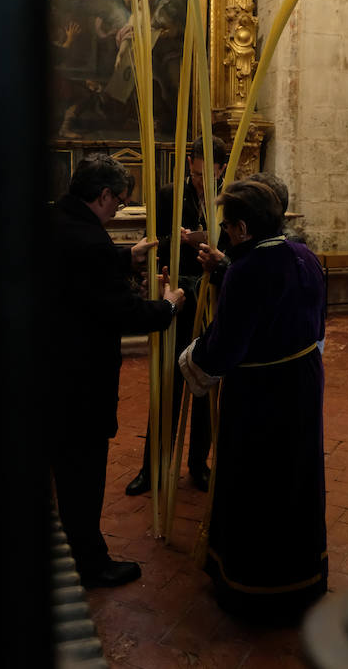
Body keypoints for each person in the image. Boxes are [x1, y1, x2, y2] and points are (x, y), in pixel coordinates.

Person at [179, 179, 327, 620]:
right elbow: (285, 306)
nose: (224, 233)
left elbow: (227, 347)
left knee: (257, 482)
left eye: (227, 227)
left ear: (242, 228)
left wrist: (192, 359)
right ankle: (304, 578)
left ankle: (255, 588)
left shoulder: (248, 269)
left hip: (262, 395)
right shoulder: (305, 254)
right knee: (296, 476)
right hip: (302, 381)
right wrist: (226, 268)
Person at [48, 154, 185, 589]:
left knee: (64, 468)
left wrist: (126, 257)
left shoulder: (55, 220)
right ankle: (90, 563)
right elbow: (119, 311)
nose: (118, 210)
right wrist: (167, 306)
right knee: (83, 475)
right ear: (103, 194)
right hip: (78, 377)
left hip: (49, 370)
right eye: (118, 202)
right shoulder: (90, 242)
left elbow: (75, 275)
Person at [125, 136, 228, 497]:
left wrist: (198, 240)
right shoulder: (169, 194)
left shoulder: (228, 198)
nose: (201, 182)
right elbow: (152, 238)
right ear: (191, 165)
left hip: (213, 302)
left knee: (204, 386)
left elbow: (231, 246)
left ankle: (198, 464)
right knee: (168, 385)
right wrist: (164, 256)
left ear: (220, 169)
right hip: (177, 297)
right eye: (196, 174)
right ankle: (152, 468)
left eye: (208, 176)